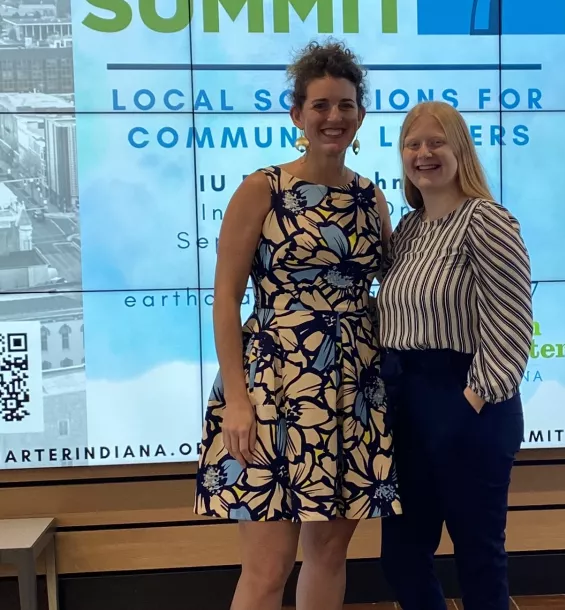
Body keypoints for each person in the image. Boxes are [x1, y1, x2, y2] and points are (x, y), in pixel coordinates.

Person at [194, 39, 402, 610]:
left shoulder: (370, 199)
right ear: (297, 115)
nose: (334, 117)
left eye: (345, 105)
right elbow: (225, 299)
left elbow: (388, 290)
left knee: (329, 556)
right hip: (272, 391)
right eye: (321, 106)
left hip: (350, 393)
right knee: (267, 568)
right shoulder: (262, 189)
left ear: (361, 114)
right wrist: (237, 399)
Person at [376, 100, 533, 610]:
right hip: (408, 404)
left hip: (469, 404)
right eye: (413, 144)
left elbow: (511, 328)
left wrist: (469, 401)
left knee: (478, 561)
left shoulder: (486, 220)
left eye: (436, 142)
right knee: (401, 558)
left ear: (459, 150)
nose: (423, 153)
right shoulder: (409, 229)